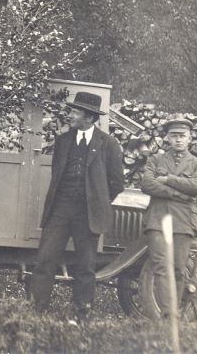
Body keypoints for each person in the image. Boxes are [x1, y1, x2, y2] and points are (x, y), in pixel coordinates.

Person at [29, 91, 124, 319]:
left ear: (90, 118)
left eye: (75, 112)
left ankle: (82, 313)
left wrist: (97, 200)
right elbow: (57, 175)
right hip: (60, 210)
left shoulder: (108, 144)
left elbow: (117, 182)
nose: (70, 115)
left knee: (85, 266)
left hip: (88, 214)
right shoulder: (63, 141)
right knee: (45, 260)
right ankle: (34, 310)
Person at [141, 118, 197, 320]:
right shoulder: (155, 160)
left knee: (179, 268)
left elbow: (195, 187)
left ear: (189, 138)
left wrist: (168, 179)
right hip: (158, 218)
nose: (178, 140)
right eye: (174, 136)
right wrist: (180, 193)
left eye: (182, 136)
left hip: (183, 220)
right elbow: (147, 185)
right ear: (167, 138)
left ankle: (174, 313)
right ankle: (170, 316)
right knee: (162, 266)